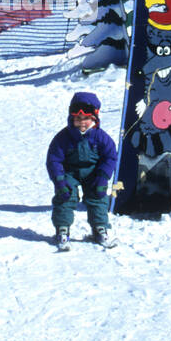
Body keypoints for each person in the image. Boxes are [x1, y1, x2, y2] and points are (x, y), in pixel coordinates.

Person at [46, 91, 117, 248]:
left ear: (94, 118)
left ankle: (100, 228)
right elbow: (53, 159)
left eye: (86, 118)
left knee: (98, 197)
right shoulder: (63, 138)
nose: (82, 122)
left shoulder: (101, 137)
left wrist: (103, 176)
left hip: (93, 173)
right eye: (77, 119)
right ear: (72, 118)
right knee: (65, 196)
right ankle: (62, 229)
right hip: (69, 173)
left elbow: (110, 157)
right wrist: (59, 180)